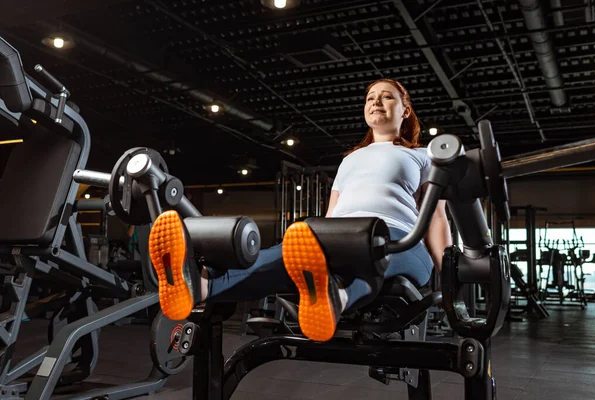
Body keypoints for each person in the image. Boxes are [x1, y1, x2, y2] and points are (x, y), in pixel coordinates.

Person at [147, 78, 453, 342]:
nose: (376, 102)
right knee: (279, 254)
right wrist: (321, 240)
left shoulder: (423, 156)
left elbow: (437, 218)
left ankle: (339, 299)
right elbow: (333, 214)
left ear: (405, 109)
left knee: (373, 252)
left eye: (387, 96)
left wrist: (451, 277)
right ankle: (200, 285)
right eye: (370, 98)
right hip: (348, 234)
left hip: (403, 241)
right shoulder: (351, 159)